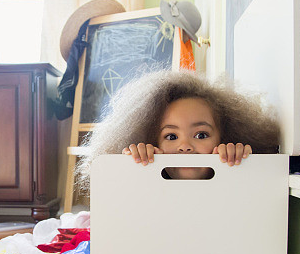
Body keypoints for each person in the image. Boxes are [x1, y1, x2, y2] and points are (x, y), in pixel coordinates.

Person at [76, 69, 280, 190]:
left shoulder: (238, 174)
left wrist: (241, 160)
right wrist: (132, 166)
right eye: (171, 136)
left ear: (224, 136)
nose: (185, 146)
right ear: (153, 141)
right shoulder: (142, 176)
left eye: (201, 135)